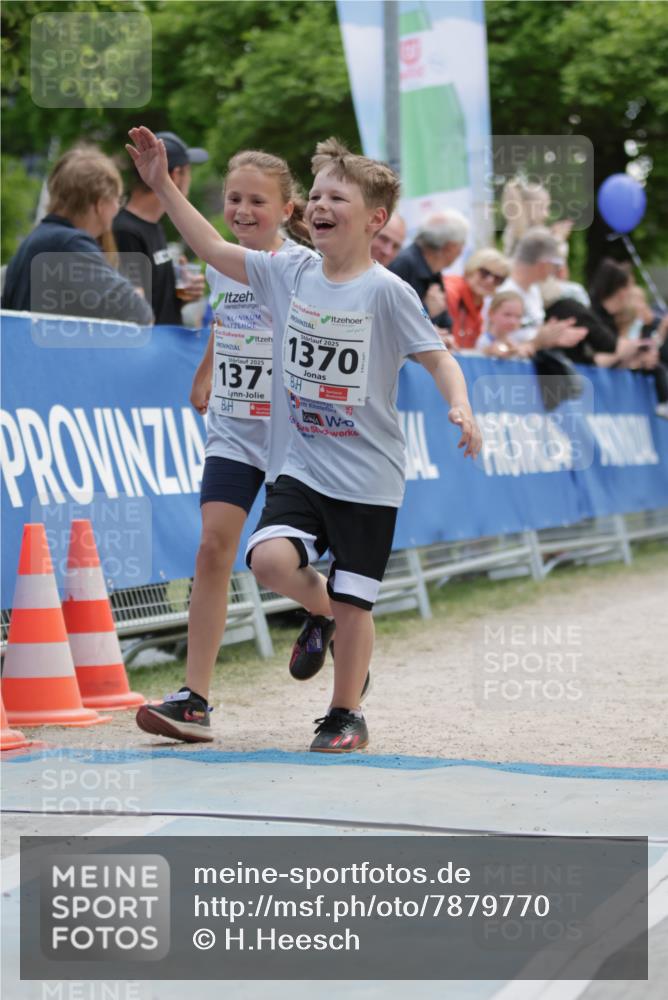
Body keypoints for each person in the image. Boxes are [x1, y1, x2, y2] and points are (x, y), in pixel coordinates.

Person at [126, 126, 481, 753]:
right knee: (262, 558)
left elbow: (440, 357)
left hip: (368, 475)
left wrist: (462, 406)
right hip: (302, 463)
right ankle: (225, 679)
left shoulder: (386, 291)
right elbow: (209, 246)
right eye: (317, 196)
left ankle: (346, 712)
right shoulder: (287, 276)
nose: (321, 207)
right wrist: (161, 186)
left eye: (336, 200)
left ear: (375, 220)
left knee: (355, 601)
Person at [135, 151, 313, 743]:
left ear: (287, 209)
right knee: (213, 549)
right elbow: (226, 312)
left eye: (257, 200)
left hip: (292, 437)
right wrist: (208, 369)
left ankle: (330, 611)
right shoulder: (220, 267)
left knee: (276, 565)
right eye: (233, 198)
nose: (241, 210)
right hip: (235, 428)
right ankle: (195, 700)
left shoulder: (302, 266)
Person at [1, 146, 152, 324]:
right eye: (118, 200)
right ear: (100, 204)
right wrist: (135, 293)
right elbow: (139, 314)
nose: (117, 208)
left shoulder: (40, 238)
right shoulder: (70, 245)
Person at [113, 131, 208, 325]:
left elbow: (154, 301)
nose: (190, 179)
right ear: (175, 175)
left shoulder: (153, 225)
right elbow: (132, 313)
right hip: (148, 351)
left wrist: (182, 294)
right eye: (188, 171)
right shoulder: (124, 232)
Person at [498, 228, 587, 353]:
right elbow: (498, 344)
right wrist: (538, 342)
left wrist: (554, 335)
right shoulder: (503, 289)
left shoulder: (533, 290)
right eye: (555, 265)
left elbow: (530, 334)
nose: (556, 270)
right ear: (543, 264)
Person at [389, 209, 470, 332]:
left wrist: (443, 336)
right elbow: (388, 322)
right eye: (462, 245)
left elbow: (446, 324)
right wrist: (426, 311)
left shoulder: (434, 272)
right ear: (450, 247)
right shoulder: (402, 265)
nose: (461, 251)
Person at [444, 247, 510, 349]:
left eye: (498, 278)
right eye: (485, 273)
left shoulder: (478, 309)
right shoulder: (450, 292)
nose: (490, 281)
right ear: (471, 269)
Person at [476, 290, 529, 358]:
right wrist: (489, 351)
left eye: (518, 316)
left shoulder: (514, 344)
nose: (512, 321)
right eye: (507, 315)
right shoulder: (482, 340)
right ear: (491, 313)